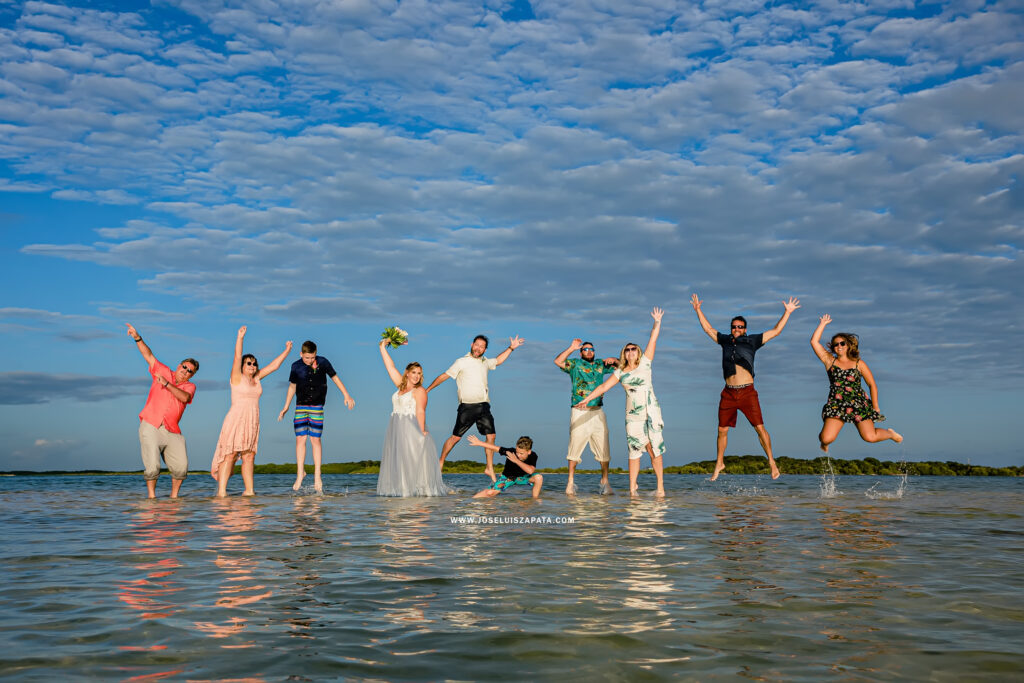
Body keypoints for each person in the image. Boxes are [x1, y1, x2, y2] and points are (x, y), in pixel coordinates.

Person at [690, 294, 799, 481]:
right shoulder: (724, 340)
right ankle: (719, 463)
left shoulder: (753, 341)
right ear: (731, 329)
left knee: (759, 427)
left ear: (745, 329)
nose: (737, 329)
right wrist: (698, 310)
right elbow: (708, 329)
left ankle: (772, 462)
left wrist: (787, 312)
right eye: (734, 327)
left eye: (740, 327)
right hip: (728, 392)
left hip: (748, 391)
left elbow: (776, 331)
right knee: (722, 430)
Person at [575, 308, 666, 496]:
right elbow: (602, 388)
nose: (631, 351)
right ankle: (633, 489)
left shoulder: (645, 363)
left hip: (651, 411)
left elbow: (653, 339)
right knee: (634, 450)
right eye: (627, 349)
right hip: (633, 415)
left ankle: (660, 488)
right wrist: (586, 400)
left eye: (634, 349)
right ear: (624, 354)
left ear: (638, 352)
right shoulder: (620, 372)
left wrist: (657, 322)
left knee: (654, 448)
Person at [426, 333, 525, 481]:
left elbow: (498, 361)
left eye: (482, 346)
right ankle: (441, 461)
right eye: (477, 345)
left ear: (484, 350)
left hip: (484, 405)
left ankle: (489, 467)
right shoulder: (461, 362)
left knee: (491, 435)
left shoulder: (485, 362)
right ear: (472, 345)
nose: (478, 348)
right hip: (467, 406)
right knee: (455, 438)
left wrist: (511, 348)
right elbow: (444, 376)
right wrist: (427, 390)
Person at [211, 327, 292, 497]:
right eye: (249, 363)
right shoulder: (236, 377)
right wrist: (240, 337)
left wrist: (287, 350)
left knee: (249, 456)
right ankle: (222, 492)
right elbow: (236, 356)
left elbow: (274, 366)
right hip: (236, 419)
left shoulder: (257, 379)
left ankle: (249, 491)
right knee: (230, 453)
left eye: (254, 363)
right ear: (242, 366)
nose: (252, 365)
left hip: (252, 420)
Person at [125, 323, 198, 499]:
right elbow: (148, 355)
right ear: (179, 365)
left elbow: (184, 398)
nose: (185, 371)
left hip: (172, 430)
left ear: (191, 375)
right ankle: (152, 498)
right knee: (153, 467)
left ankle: (174, 499)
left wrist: (166, 384)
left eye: (190, 371)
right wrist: (137, 337)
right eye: (184, 367)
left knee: (181, 467)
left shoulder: (190, 386)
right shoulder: (163, 370)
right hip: (151, 424)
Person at [810, 315, 904, 451]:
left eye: (842, 343)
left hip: (858, 403)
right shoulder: (830, 361)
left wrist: (876, 406)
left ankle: (890, 433)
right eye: (836, 344)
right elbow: (814, 341)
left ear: (848, 345)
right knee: (826, 438)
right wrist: (822, 324)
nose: (839, 346)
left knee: (869, 437)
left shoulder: (858, 363)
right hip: (837, 403)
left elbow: (872, 384)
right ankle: (824, 444)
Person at [277, 340, 355, 493]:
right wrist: (285, 406)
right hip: (300, 406)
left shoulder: (323, 362)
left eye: (312, 358)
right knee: (300, 439)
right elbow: (292, 387)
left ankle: (317, 475)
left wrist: (346, 395)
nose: (310, 361)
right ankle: (300, 473)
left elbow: (335, 378)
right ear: (301, 354)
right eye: (307, 358)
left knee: (315, 439)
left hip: (317, 406)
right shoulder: (295, 366)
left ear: (315, 354)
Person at [377, 339, 451, 496]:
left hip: (411, 428)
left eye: (419, 373)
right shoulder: (401, 386)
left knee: (411, 462)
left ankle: (416, 500)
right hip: (396, 429)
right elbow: (390, 367)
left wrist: (422, 431)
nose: (417, 376)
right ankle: (403, 494)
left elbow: (420, 412)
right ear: (407, 373)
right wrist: (383, 347)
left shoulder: (420, 391)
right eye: (414, 373)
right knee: (399, 462)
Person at [554, 339, 618, 495]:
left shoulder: (600, 365)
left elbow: (625, 366)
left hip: (597, 411)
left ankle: (605, 481)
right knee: (574, 447)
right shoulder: (575, 364)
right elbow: (558, 361)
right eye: (586, 349)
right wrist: (571, 348)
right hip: (579, 411)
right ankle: (570, 482)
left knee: (604, 448)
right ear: (581, 352)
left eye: (592, 349)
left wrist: (615, 360)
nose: (589, 351)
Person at [467, 435, 543, 499]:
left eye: (521, 453)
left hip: (523, 478)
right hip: (508, 478)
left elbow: (530, 471)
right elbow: (495, 448)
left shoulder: (533, 455)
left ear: (529, 451)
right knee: (490, 493)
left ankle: (534, 500)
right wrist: (479, 443)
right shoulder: (510, 452)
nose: (518, 455)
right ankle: (471, 501)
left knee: (538, 477)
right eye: (517, 452)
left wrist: (516, 460)